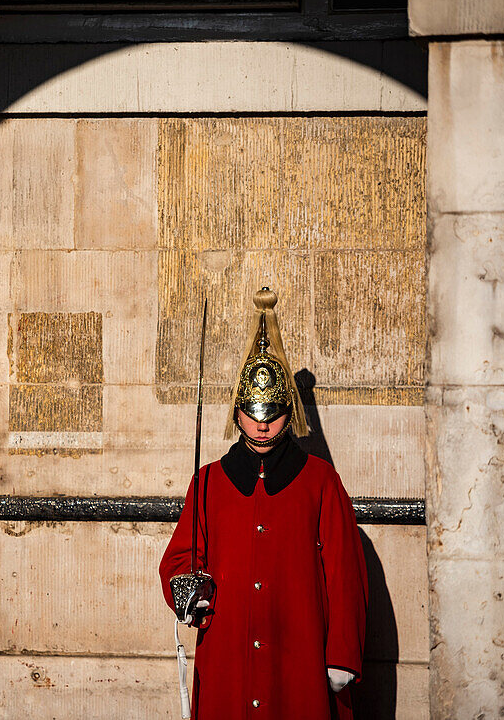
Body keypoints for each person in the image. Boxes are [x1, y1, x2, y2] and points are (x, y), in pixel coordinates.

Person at [159, 287, 368, 720]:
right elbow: (181, 557)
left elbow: (345, 572)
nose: (262, 426)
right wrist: (185, 589)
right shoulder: (210, 481)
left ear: (289, 412)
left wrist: (343, 652)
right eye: (253, 414)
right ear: (237, 413)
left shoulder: (320, 481)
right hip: (228, 655)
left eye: (271, 414)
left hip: (299, 657)